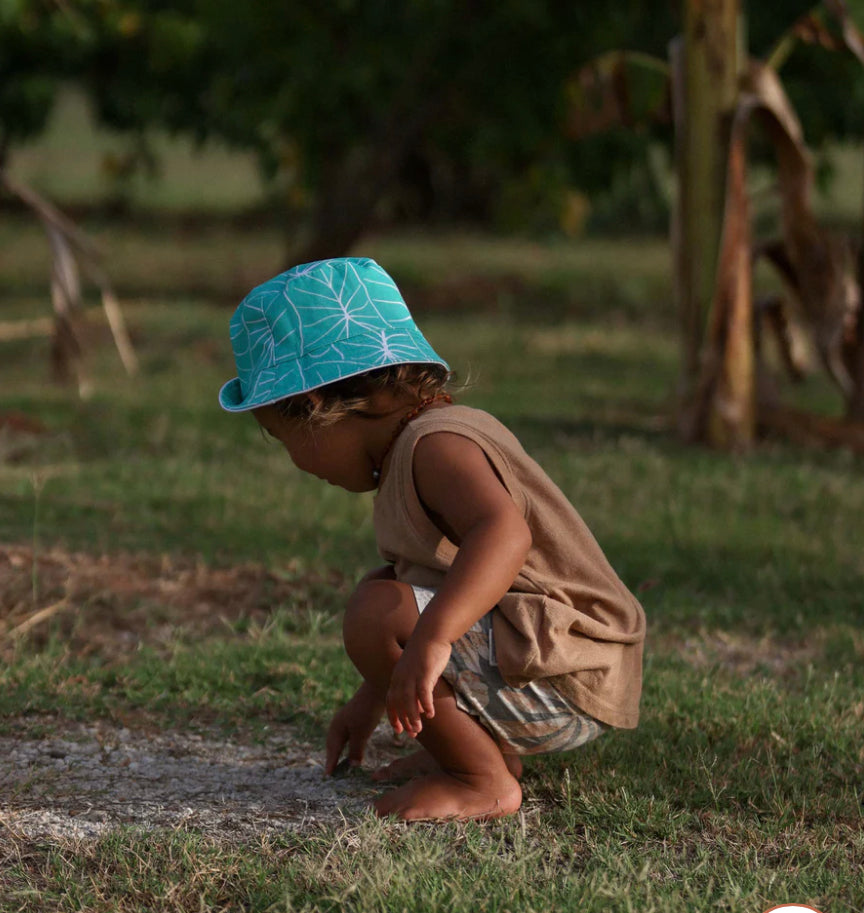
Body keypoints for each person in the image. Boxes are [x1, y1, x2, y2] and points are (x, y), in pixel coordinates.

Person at [219, 257, 646, 822]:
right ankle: (484, 755)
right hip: (546, 657)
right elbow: (429, 580)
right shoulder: (415, 446)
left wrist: (431, 641)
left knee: (377, 609)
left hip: (566, 672)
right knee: (387, 589)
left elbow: (503, 535)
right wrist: (370, 697)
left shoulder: (437, 446)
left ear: (316, 407)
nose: (294, 461)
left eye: (282, 437)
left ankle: (482, 780)